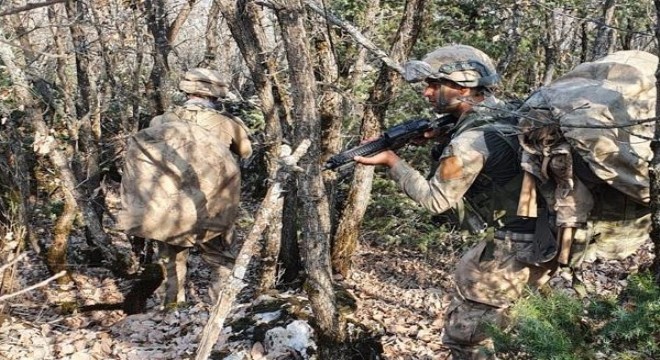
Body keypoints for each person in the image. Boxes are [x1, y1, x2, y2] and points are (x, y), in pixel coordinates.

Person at [354, 45, 557, 359]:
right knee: (520, 326)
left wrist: (392, 161)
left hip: (511, 248)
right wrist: (439, 135)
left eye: (435, 85)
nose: (427, 93)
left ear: (464, 87)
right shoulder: (507, 111)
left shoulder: (468, 142)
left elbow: (436, 200)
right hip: (546, 236)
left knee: (467, 337)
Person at [117, 68, 252, 306]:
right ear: (215, 97)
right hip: (213, 202)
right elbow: (246, 152)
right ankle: (217, 309)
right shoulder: (226, 123)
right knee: (221, 259)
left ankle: (172, 308)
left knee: (171, 260)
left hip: (170, 203)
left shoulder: (161, 121)